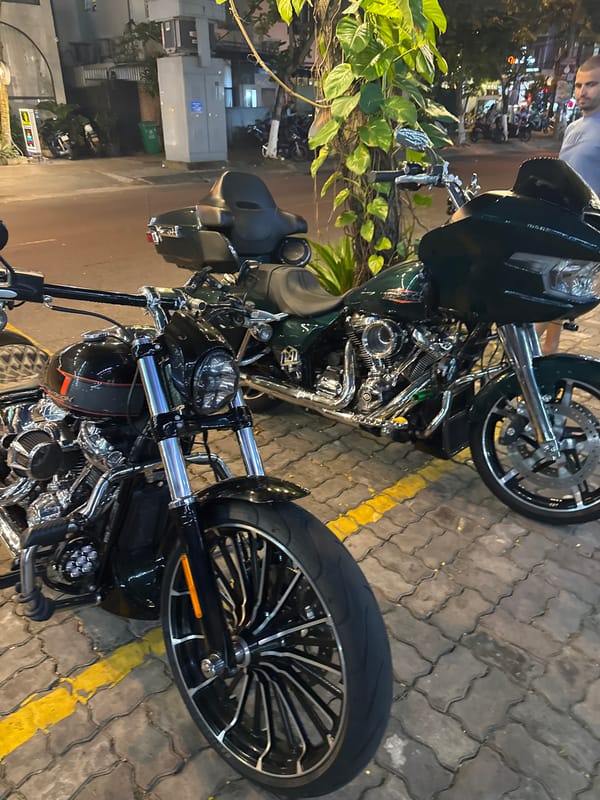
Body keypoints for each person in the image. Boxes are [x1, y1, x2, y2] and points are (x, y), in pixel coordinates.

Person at [536, 54, 600, 355]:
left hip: (587, 227)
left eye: (591, 84)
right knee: (553, 286)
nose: (582, 92)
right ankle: (547, 350)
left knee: (558, 290)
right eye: (578, 85)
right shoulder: (574, 127)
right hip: (556, 219)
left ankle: (539, 350)